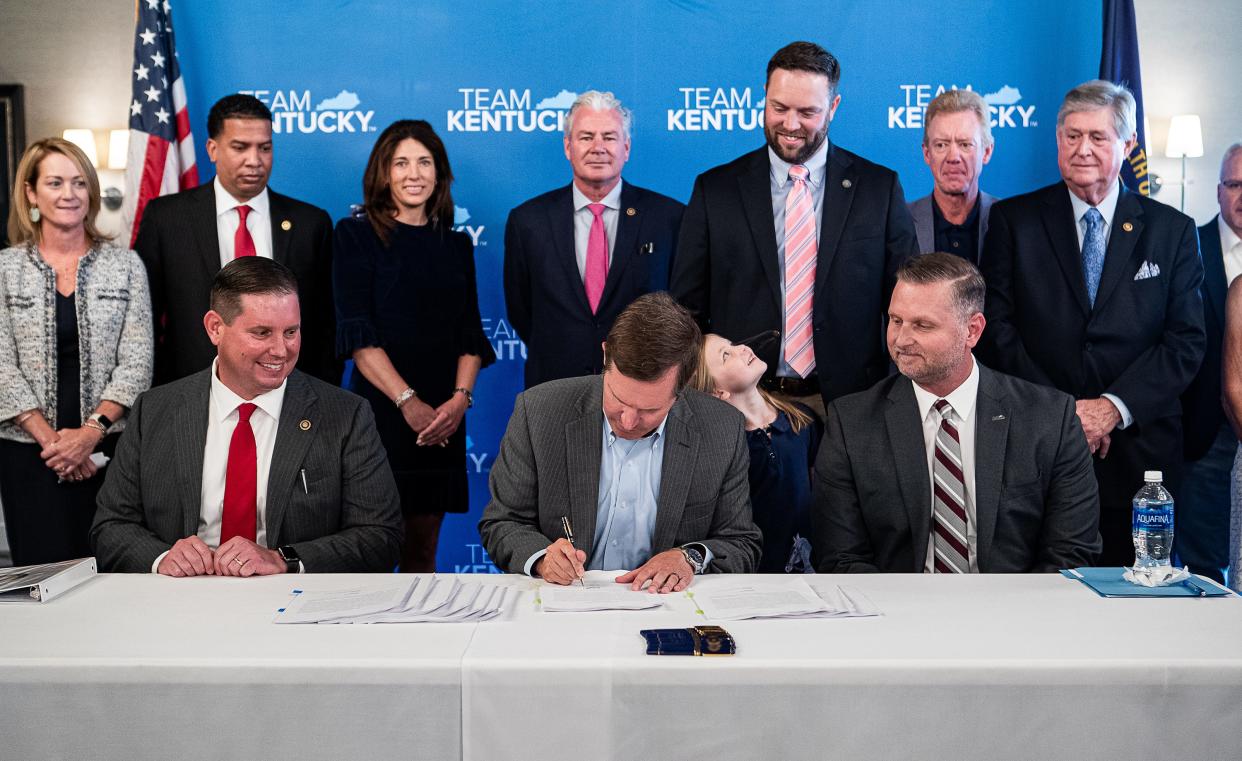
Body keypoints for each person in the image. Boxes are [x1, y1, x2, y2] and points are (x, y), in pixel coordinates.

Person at [979, 80, 1204, 567]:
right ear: (1057, 141)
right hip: (1037, 453)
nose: (1082, 149)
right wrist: (1065, 414)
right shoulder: (1014, 221)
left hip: (1140, 461)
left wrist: (1110, 409)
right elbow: (998, 330)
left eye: (1098, 137)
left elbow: (1184, 342)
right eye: (1071, 135)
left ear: (1126, 146)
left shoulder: (1173, 232)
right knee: (1038, 608)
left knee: (1134, 614)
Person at [90, 257, 402, 575]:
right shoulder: (154, 410)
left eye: (291, 332)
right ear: (215, 328)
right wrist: (163, 557)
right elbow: (111, 526)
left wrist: (283, 558)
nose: (281, 350)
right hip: (181, 605)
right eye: (262, 333)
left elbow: (380, 536)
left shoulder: (346, 414)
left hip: (294, 606)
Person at [672, 40, 918, 418]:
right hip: (746, 406)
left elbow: (906, 301)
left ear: (833, 108)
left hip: (854, 404)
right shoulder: (715, 190)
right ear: (764, 98)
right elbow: (686, 310)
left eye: (807, 112)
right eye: (779, 108)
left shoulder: (878, 189)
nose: (790, 124)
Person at [814, 253, 1101, 573]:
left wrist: (1012, 619)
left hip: (1015, 615)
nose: (901, 340)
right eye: (896, 320)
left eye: (922, 325)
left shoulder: (1050, 419)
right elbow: (841, 558)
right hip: (897, 616)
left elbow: (1071, 554)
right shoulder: (851, 422)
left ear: (972, 331)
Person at [478, 292, 762, 592]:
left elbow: (741, 542)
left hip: (668, 608)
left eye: (649, 410)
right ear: (605, 356)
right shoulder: (539, 412)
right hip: (565, 606)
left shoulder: (720, 427)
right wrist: (542, 559)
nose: (628, 421)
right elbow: (503, 523)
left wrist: (688, 557)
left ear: (685, 383)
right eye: (619, 399)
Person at [333, 119, 495, 572]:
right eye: (401, 162)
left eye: (424, 162)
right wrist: (408, 402)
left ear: (439, 173)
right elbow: (358, 337)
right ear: (383, 172)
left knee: (422, 554)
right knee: (370, 556)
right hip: (382, 414)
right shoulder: (354, 236)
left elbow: (469, 334)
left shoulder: (457, 245)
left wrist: (459, 403)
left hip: (442, 420)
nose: (414, 173)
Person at [0, 138, 152, 566]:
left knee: (112, 570)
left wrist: (88, 435)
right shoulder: (5, 268)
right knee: (39, 575)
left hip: (110, 452)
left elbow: (137, 361)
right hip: (28, 454)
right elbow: (0, 365)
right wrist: (55, 444)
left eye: (79, 183)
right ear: (31, 192)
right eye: (54, 182)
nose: (69, 194)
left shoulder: (125, 265)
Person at [135, 93, 338, 387]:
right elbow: (144, 320)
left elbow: (325, 325)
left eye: (264, 148)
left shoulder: (311, 223)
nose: (254, 160)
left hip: (290, 397)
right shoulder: (166, 219)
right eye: (240, 147)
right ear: (213, 149)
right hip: (191, 394)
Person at [504, 90, 684, 388]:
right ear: (567, 147)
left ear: (626, 148)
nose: (598, 147)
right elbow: (522, 313)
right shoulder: (528, 222)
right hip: (554, 389)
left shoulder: (669, 218)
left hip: (642, 388)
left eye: (609, 137)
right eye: (586, 137)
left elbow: (680, 308)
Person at [689, 333, 819, 572]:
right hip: (756, 572)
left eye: (733, 343)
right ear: (717, 392)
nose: (742, 348)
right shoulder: (724, 448)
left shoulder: (802, 420)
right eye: (726, 355)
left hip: (811, 565)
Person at [1180, 143, 1242, 584]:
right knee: (1204, 567)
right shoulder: (1187, 244)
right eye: (1235, 184)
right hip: (1204, 437)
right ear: (1219, 190)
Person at [908, 88, 997, 263]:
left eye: (965, 144)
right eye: (941, 145)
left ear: (986, 152)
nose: (953, 157)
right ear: (927, 153)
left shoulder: (1012, 224)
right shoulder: (901, 221)